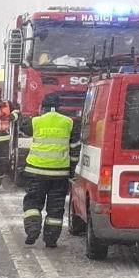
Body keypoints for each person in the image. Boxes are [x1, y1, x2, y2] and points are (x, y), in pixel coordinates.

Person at [21, 93, 81, 247]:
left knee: (33, 202)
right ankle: (51, 239)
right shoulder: (69, 122)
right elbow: (75, 149)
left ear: (43, 107)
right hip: (59, 174)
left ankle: (33, 228)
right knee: (56, 208)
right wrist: (72, 170)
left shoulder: (36, 121)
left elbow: (23, 127)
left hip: (36, 172)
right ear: (59, 107)